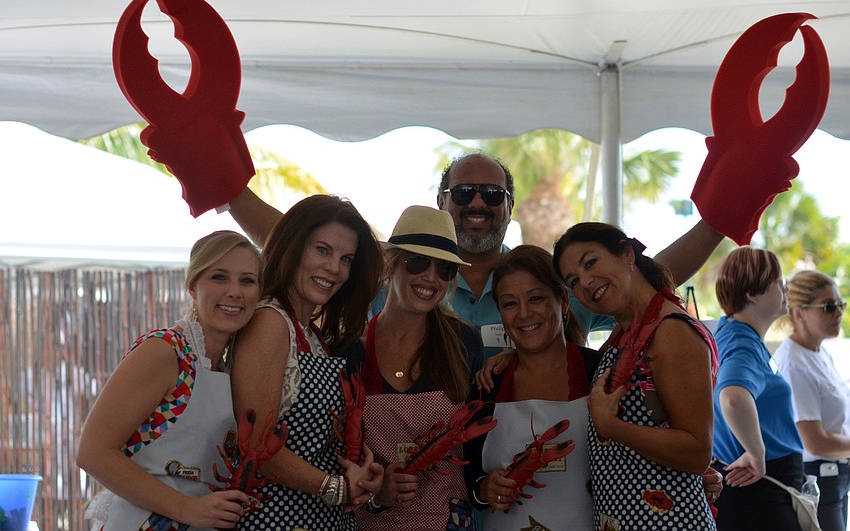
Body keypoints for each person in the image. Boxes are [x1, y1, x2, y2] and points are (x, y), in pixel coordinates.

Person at [226, 152, 725, 357]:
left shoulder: (548, 283)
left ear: (510, 206)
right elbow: (299, 242)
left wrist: (723, 216)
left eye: (492, 194)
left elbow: (650, 274)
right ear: (443, 203)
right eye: (464, 194)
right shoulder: (400, 268)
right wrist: (224, 185)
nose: (478, 204)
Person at [77, 230, 260, 530]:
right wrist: (187, 508)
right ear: (192, 285)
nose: (234, 292)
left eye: (247, 280)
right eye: (219, 277)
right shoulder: (165, 350)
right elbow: (93, 452)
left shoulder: (229, 370)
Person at [229, 194, 385, 530]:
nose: (334, 269)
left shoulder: (313, 334)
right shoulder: (270, 322)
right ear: (293, 247)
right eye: (323, 250)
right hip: (275, 519)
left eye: (346, 259)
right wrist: (335, 487)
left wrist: (358, 466)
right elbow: (256, 444)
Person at [555, 222, 718, 530]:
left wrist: (610, 426)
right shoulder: (625, 331)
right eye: (573, 281)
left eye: (590, 263)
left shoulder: (671, 330)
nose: (586, 283)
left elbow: (697, 451)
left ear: (627, 254)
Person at [346, 205, 484, 530]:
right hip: (371, 520)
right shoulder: (352, 347)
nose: (431, 278)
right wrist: (378, 491)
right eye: (418, 262)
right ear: (391, 264)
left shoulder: (465, 342)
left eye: (445, 269)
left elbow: (480, 444)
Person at [464, 245, 599, 531]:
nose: (524, 314)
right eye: (510, 303)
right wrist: (484, 488)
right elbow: (467, 474)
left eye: (535, 298)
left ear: (562, 301)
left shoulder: (599, 372)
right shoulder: (487, 384)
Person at [710, 246, 805, 531]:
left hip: (756, 488)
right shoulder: (742, 344)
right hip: (760, 488)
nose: (785, 289)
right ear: (752, 294)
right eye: (778, 282)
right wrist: (756, 453)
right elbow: (733, 398)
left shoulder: (733, 332)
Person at [774, 270, 850, 531]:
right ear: (799, 313)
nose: (838, 312)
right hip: (820, 479)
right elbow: (814, 442)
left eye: (841, 304)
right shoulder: (795, 363)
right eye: (829, 307)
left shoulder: (818, 351)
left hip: (836, 476)